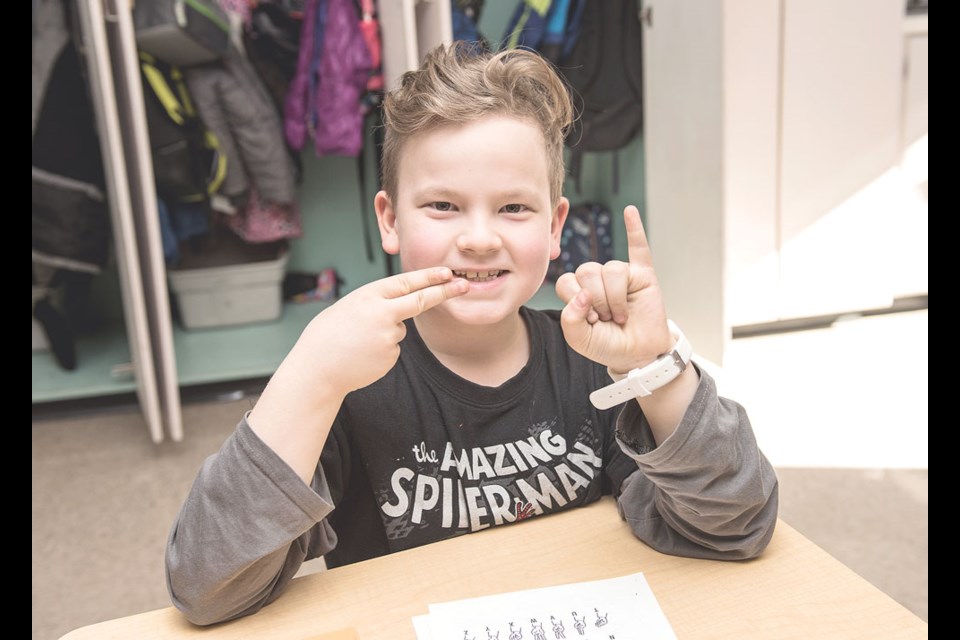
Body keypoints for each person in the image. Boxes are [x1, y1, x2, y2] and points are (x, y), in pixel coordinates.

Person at [165, 42, 779, 626]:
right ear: (390, 219)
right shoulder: (341, 386)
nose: (481, 238)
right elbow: (207, 587)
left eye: (514, 207)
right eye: (443, 206)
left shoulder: (595, 364)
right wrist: (309, 375)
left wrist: (654, 368)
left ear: (555, 223)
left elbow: (735, 526)